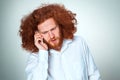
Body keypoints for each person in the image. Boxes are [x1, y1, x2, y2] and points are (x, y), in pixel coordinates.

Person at [19, 3, 101, 80]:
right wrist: (43, 52)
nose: (51, 36)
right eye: (45, 32)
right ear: (37, 35)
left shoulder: (78, 42)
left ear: (60, 25)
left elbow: (93, 75)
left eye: (53, 29)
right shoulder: (36, 57)